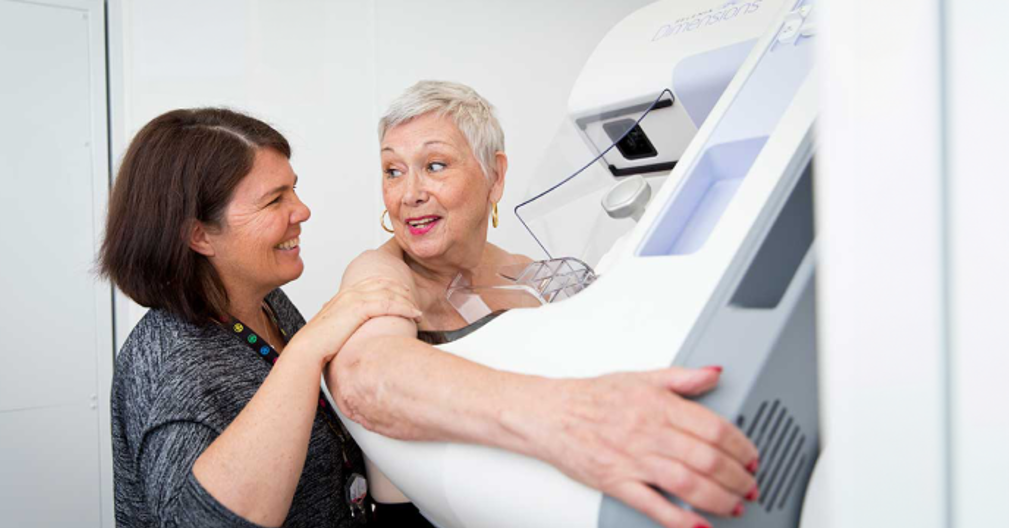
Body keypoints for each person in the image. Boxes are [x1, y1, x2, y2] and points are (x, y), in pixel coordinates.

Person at [324, 81, 761, 528]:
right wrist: (572, 420)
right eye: (392, 171)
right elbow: (366, 380)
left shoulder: (535, 274)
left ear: (495, 176)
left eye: (434, 165)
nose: (408, 193)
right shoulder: (381, 272)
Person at [101, 108, 423, 527]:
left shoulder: (265, 301)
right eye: (275, 200)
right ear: (198, 234)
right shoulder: (170, 367)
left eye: (294, 190)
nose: (302, 211)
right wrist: (309, 349)